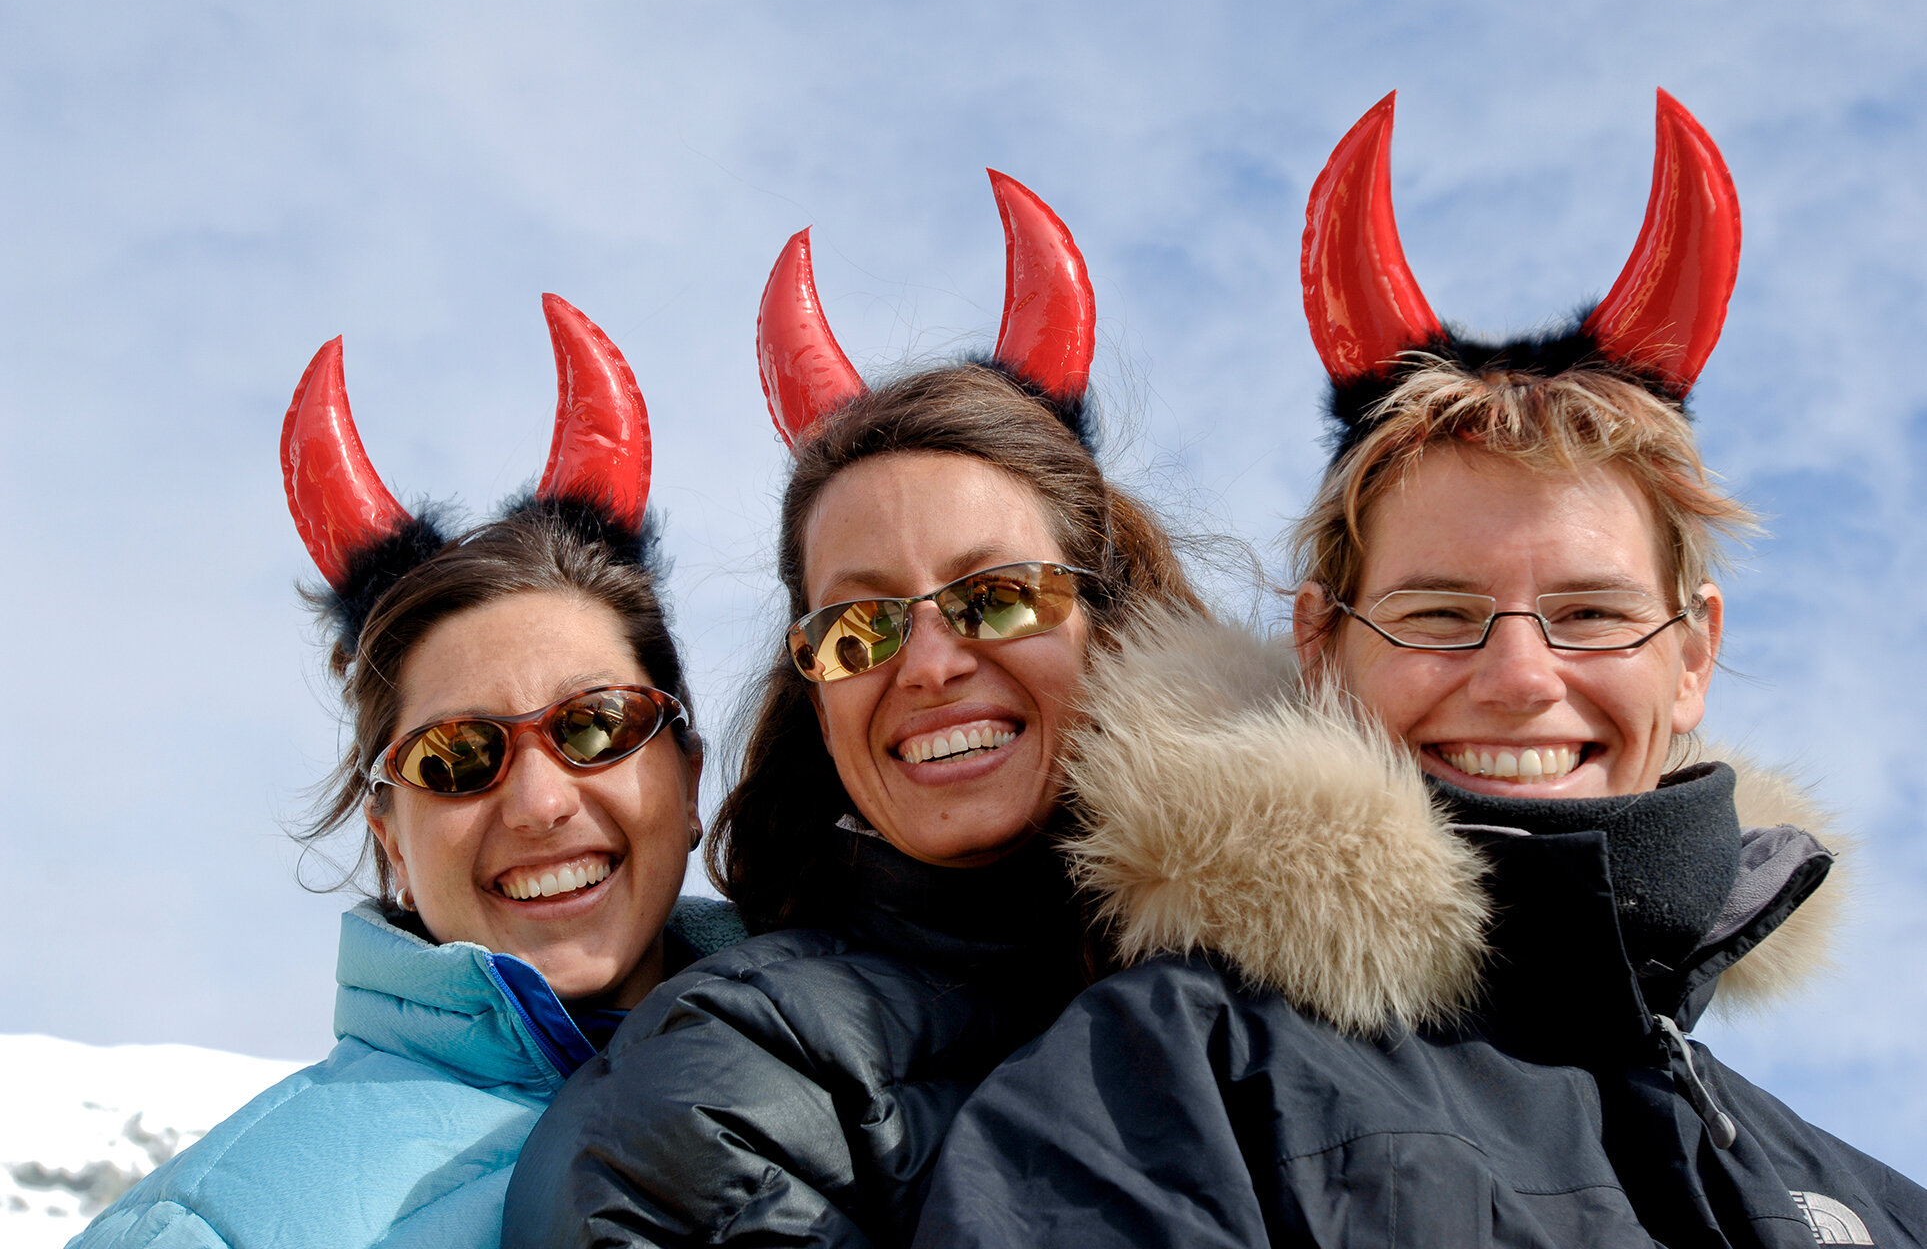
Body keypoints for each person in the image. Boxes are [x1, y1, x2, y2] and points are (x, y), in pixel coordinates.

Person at [913, 93, 1927, 1246]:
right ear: (1319, 646)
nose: (1516, 675)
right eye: (1437, 613)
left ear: (1692, 654)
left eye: (1589, 612)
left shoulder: (1867, 1199)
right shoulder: (1161, 1082)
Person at [501, 172, 1202, 1248]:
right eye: (858, 627)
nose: (926, 663)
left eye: (998, 595)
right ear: (813, 691)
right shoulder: (729, 1073)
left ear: (1107, 621)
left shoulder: (1306, 967)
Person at [73, 296, 743, 1249]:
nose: (542, 801)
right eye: (456, 758)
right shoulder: (206, 1230)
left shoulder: (884, 1060)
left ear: (684, 779)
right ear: (389, 836)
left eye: (596, 726)